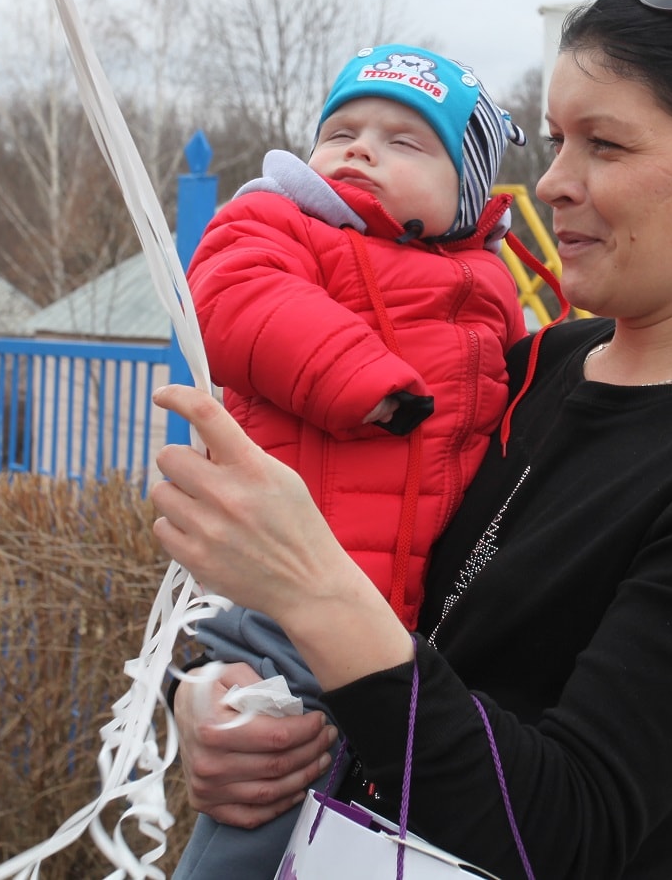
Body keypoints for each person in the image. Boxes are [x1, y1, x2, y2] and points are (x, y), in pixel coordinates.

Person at [152, 0, 672, 880]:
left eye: (605, 147)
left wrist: (315, 591)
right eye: (555, 141)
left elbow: (568, 833)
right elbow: (371, 555)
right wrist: (216, 701)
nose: (555, 183)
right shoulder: (534, 363)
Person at [173, 43, 528, 878]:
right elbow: (233, 297)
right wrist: (362, 380)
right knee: (265, 794)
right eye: (343, 130)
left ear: (464, 190)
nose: (362, 148)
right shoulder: (283, 223)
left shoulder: (490, 285)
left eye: (406, 141)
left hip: (411, 636)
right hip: (288, 613)